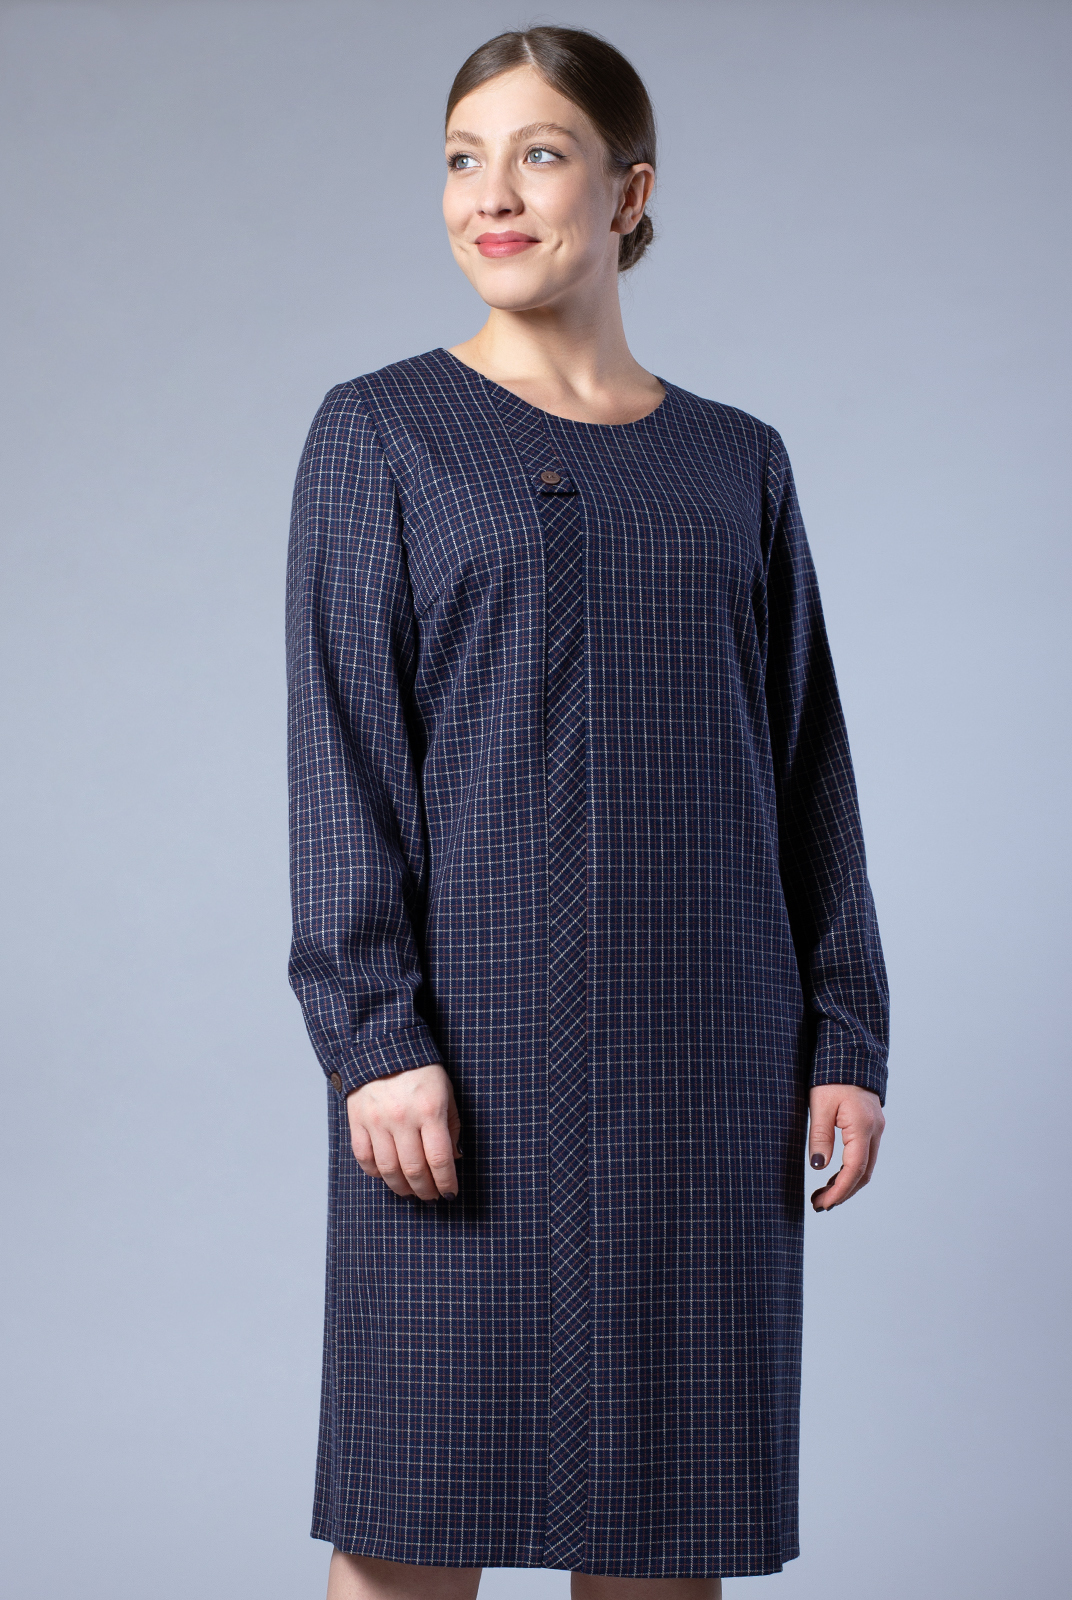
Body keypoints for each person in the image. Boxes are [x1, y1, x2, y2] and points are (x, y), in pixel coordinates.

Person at [285, 24, 888, 1600]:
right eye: (462, 159)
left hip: (708, 1065)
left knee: (666, 1532)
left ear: (628, 193)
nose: (490, 195)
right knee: (414, 1520)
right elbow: (342, 754)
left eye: (538, 154)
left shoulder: (736, 463)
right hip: (464, 1064)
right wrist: (375, 1037)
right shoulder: (383, 432)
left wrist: (847, 1033)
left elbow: (806, 763)